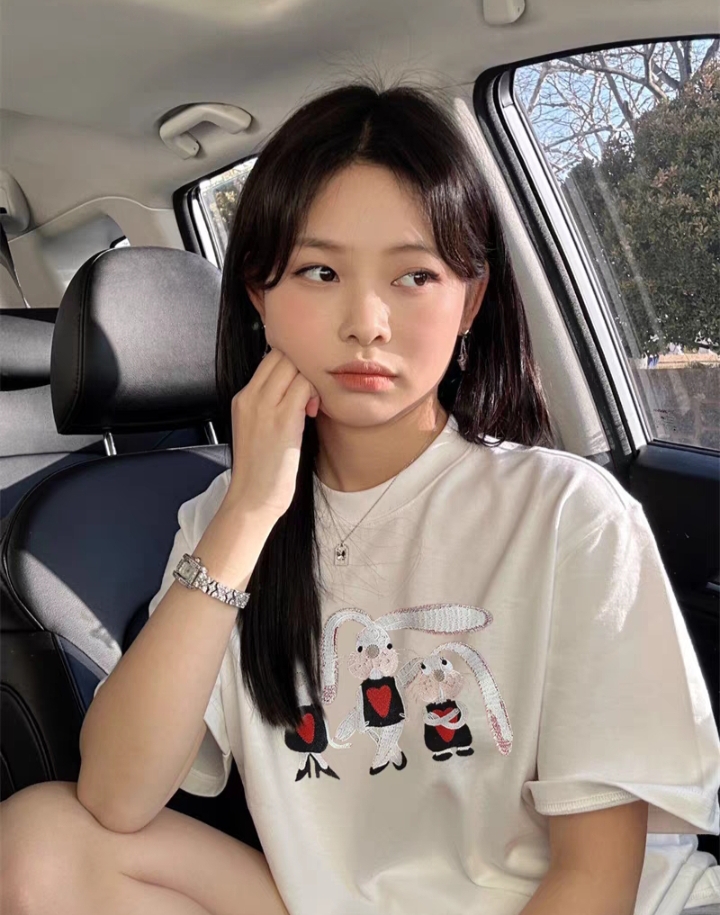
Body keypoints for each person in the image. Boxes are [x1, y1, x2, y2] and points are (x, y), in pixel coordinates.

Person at [2, 80, 719, 915]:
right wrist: (246, 516)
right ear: (259, 295)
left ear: (470, 301)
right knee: (39, 838)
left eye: (414, 274)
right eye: (320, 270)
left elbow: (596, 879)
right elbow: (115, 795)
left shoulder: (567, 511)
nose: (367, 320)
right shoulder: (223, 519)